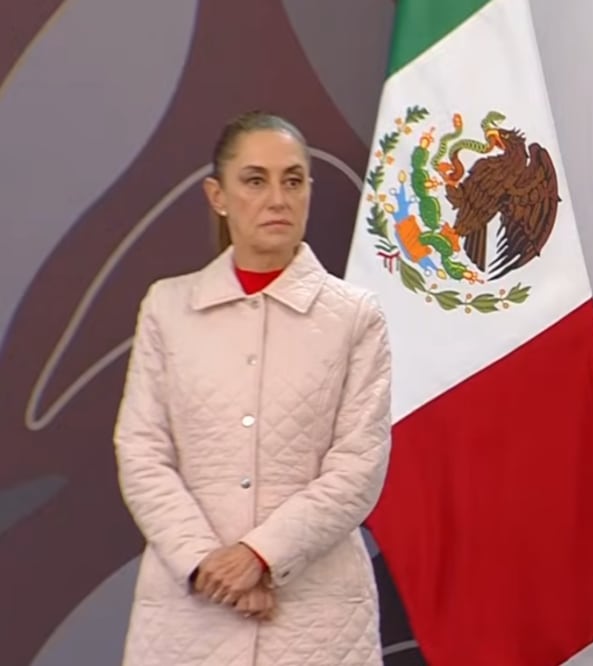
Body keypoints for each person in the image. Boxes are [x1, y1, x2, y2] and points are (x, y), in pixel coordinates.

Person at [113, 110, 392, 665]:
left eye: (293, 180)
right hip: (190, 605)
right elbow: (142, 451)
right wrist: (207, 562)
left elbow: (359, 465)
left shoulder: (354, 316)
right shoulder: (168, 308)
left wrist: (261, 555)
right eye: (255, 180)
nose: (277, 198)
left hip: (318, 616)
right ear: (218, 195)